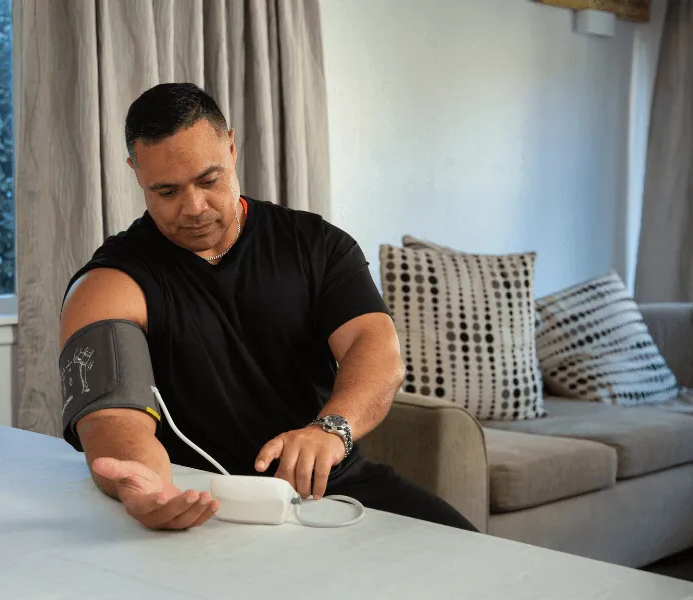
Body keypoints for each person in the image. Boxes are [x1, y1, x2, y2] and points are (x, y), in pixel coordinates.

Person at [58, 82, 477, 533]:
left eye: (208, 179)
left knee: (477, 555)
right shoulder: (108, 283)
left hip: (330, 483)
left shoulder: (316, 244)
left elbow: (374, 348)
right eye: (167, 192)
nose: (194, 207)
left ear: (232, 147)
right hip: (201, 498)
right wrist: (140, 486)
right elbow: (111, 417)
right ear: (135, 172)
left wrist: (330, 430)